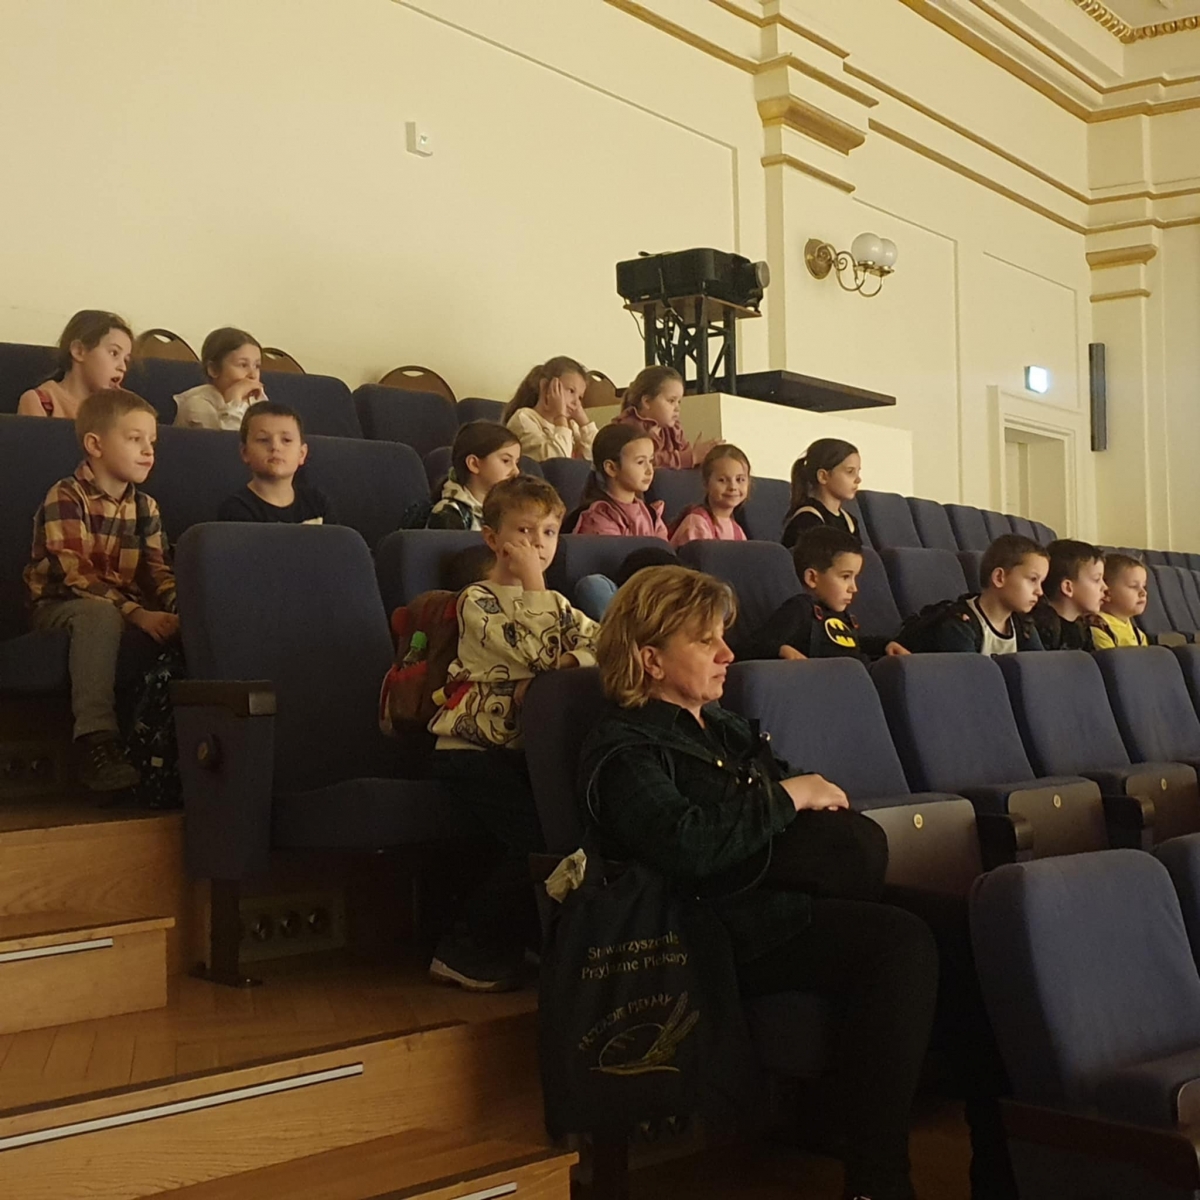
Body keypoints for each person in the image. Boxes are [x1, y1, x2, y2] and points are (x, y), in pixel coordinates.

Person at [580, 564, 938, 1200]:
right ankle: (877, 1182)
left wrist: (803, 802)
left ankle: (1000, 1160)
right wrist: (788, 797)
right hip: (703, 929)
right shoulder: (624, 747)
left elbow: (802, 802)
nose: (727, 654)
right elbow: (687, 845)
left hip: (773, 901)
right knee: (899, 944)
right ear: (650, 659)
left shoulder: (722, 727)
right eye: (705, 642)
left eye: (723, 637)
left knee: (954, 922)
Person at [427, 475, 600, 992]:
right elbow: (535, 652)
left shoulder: (556, 603)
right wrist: (535, 590)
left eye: (548, 532)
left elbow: (605, 644)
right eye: (523, 531)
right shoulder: (477, 601)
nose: (537, 544)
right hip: (470, 751)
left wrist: (568, 661)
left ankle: (518, 942)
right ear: (492, 538)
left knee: (558, 836)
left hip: (524, 753)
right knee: (536, 841)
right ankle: (462, 950)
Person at [24, 389, 178, 792]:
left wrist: (183, 608)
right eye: (134, 439)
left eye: (152, 441)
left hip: (122, 607)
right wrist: (137, 613)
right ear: (95, 445)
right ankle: (96, 740)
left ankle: (165, 750)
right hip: (62, 605)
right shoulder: (65, 495)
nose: (148, 450)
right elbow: (73, 574)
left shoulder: (146, 507)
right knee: (99, 614)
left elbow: (157, 572)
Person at [734, 527, 908, 662]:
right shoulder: (801, 609)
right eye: (845, 577)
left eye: (854, 577)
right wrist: (782, 650)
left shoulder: (842, 616)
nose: (853, 588)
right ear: (812, 578)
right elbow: (753, 646)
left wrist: (885, 645)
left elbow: (853, 645)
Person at [898, 534, 1048, 654]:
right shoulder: (959, 626)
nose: (1040, 591)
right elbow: (969, 679)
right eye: (1033, 579)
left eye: (1041, 582)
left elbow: (1040, 674)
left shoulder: (1023, 627)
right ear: (999, 578)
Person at [217, 401, 335, 525]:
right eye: (263, 440)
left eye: (286, 440)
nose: (275, 447)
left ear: (301, 454)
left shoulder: (318, 504)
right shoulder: (236, 509)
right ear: (245, 452)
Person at [18, 310, 133, 419]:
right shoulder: (41, 401)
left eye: (126, 360)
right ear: (79, 351)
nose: (123, 368)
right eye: (114, 353)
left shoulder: (121, 408)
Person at [613, 365, 718, 469]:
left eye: (679, 402)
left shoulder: (673, 428)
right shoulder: (628, 428)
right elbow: (649, 462)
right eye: (671, 401)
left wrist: (702, 458)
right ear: (647, 402)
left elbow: (686, 456)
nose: (677, 408)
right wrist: (691, 457)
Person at [573, 424, 668, 539]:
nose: (649, 470)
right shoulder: (598, 519)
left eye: (651, 461)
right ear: (611, 468)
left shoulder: (651, 515)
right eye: (640, 462)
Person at [427, 421, 521, 531]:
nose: (516, 471)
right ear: (474, 464)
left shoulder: (510, 510)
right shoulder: (448, 514)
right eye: (506, 461)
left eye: (516, 462)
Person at [502, 355, 597, 462]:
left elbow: (596, 458)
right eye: (571, 391)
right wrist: (560, 416)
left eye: (580, 397)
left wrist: (584, 423)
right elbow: (557, 462)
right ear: (545, 387)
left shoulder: (572, 426)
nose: (576, 402)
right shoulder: (524, 418)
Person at [174, 327, 267, 431]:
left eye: (257, 366)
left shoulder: (254, 400)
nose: (253, 375)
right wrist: (234, 402)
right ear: (214, 369)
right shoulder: (197, 405)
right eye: (243, 365)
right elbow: (227, 440)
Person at [1031, 539, 1112, 651]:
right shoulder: (1043, 626)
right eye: (1096, 579)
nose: (1105, 587)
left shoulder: (1083, 628)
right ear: (1068, 588)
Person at [782, 438, 861, 549]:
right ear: (823, 476)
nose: (858, 479)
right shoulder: (807, 520)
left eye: (858, 472)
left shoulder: (850, 522)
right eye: (850, 471)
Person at [669, 444, 750, 545]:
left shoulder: (738, 531)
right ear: (706, 483)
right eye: (722, 480)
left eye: (740, 479)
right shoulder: (697, 522)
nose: (733, 487)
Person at [1092, 553, 1150, 649]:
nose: (1143, 592)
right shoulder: (1099, 630)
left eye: (1144, 586)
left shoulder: (1139, 635)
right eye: (1133, 586)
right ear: (1106, 593)